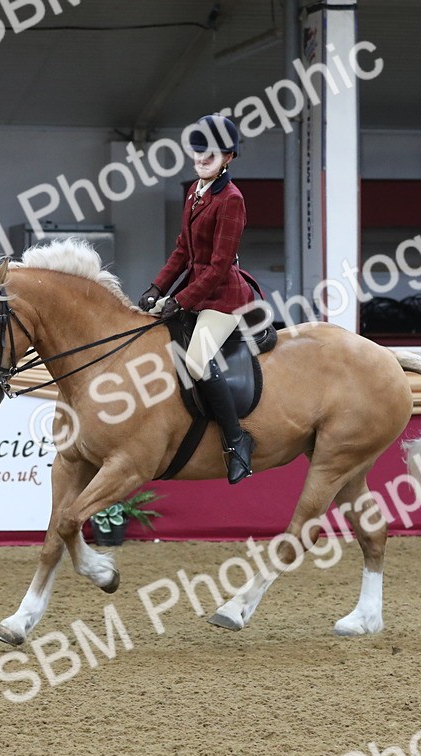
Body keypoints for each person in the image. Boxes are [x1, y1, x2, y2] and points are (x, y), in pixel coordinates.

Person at [138, 114, 260, 484]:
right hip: (194, 290)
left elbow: (220, 266)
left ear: (228, 158)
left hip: (223, 298)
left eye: (212, 153)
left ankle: (237, 440)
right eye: (198, 150)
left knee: (195, 360)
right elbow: (182, 250)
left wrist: (182, 299)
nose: (202, 157)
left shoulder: (232, 200)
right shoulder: (195, 190)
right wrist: (157, 288)